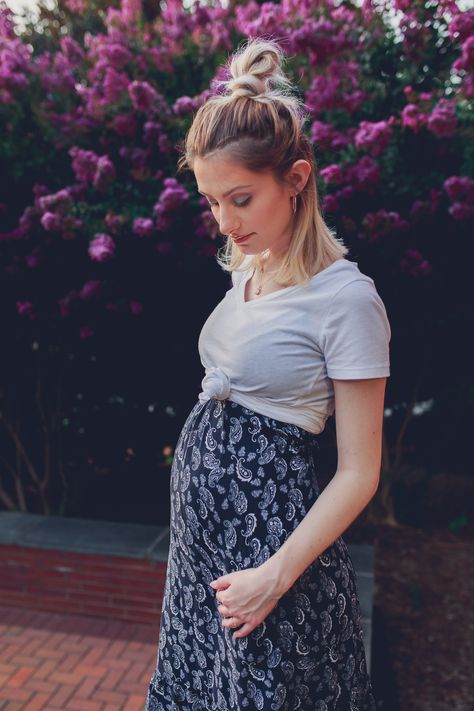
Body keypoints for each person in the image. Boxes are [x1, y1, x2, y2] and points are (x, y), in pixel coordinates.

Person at [145, 37, 390, 711]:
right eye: (212, 201)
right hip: (201, 560)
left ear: (297, 179)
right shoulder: (251, 268)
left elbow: (359, 471)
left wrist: (273, 577)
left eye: (240, 199)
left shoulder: (348, 300)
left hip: (272, 562)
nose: (224, 221)